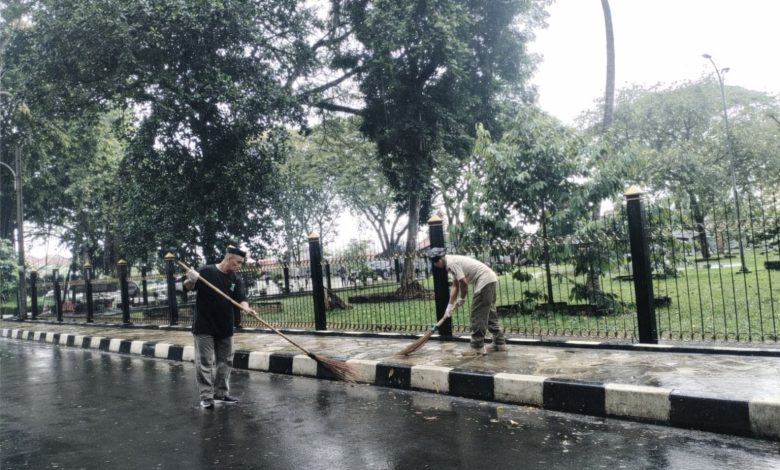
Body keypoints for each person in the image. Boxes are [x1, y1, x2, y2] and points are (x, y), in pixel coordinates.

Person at [184, 245, 249, 409]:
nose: (239, 266)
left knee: (225, 361)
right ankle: (206, 396)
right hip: (204, 325)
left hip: (225, 326)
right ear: (229, 258)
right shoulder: (206, 271)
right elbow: (188, 286)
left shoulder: (235, 278)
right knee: (205, 362)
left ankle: (221, 393)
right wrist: (191, 279)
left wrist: (246, 308)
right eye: (238, 262)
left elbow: (241, 298)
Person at [427, 247, 507, 356]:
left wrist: (462, 298)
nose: (436, 265)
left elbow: (463, 283)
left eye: (435, 263)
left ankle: (477, 347)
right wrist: (449, 307)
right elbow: (455, 285)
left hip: (484, 281)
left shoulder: (451, 263)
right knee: (489, 313)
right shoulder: (451, 261)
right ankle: (499, 343)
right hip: (490, 279)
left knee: (477, 314)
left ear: (439, 260)